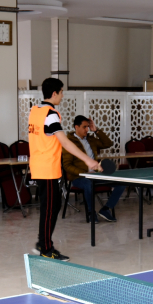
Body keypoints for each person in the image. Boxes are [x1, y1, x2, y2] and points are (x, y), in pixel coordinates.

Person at [27, 78, 100, 260]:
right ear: (54, 93)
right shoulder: (50, 114)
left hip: (39, 165)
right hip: (47, 168)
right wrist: (88, 160)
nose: (63, 95)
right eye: (61, 92)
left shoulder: (35, 111)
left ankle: (42, 243)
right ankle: (46, 249)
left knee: (54, 205)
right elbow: (65, 142)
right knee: (50, 208)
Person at [63, 115, 126, 223]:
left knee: (121, 183)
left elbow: (108, 143)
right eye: (84, 127)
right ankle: (91, 213)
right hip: (78, 177)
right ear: (76, 127)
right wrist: (84, 173)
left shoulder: (91, 139)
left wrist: (96, 130)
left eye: (88, 127)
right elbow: (67, 165)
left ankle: (106, 209)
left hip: (95, 174)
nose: (87, 130)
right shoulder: (69, 143)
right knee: (88, 184)